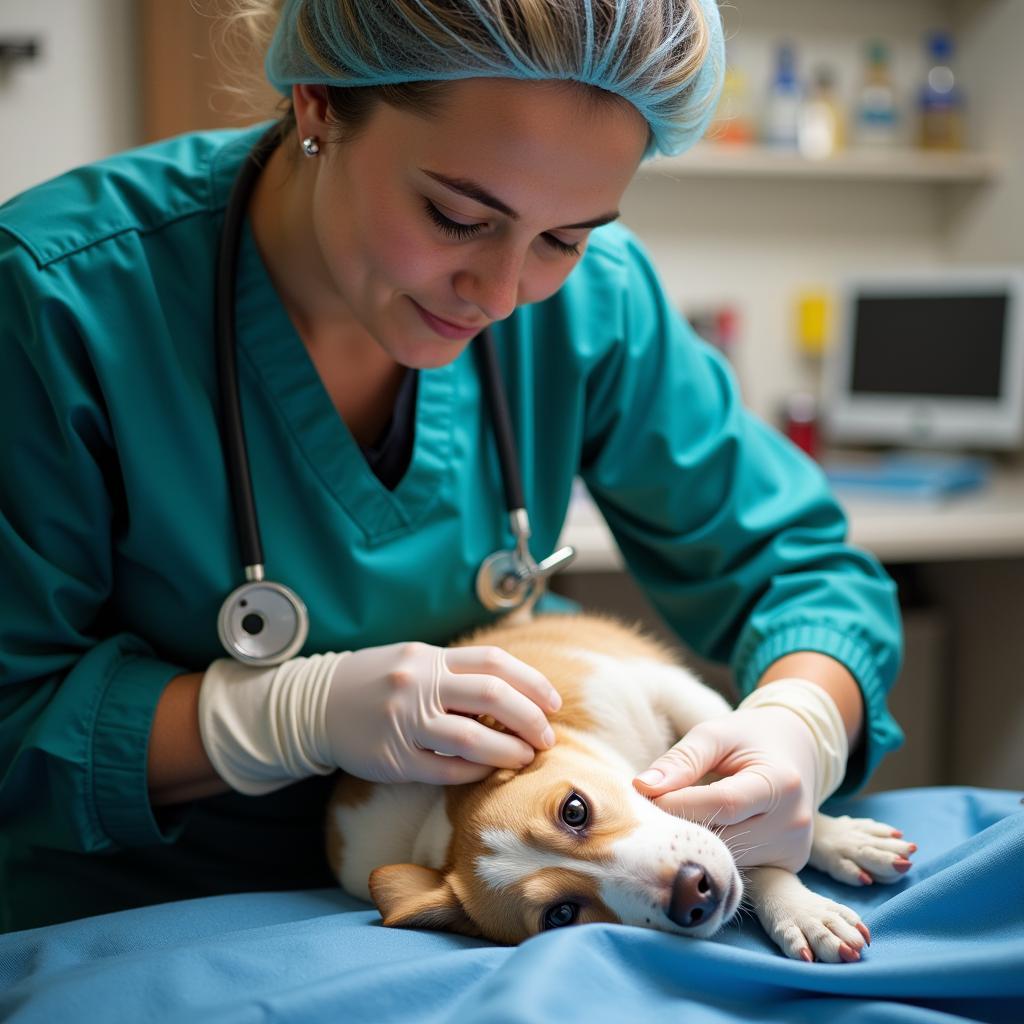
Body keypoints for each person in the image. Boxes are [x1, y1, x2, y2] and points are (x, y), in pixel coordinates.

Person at [0, 0, 903, 933]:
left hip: (517, 908)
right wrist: (279, 717)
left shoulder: (595, 302)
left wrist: (801, 723)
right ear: (317, 100)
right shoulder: (57, 304)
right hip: (144, 920)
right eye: (457, 216)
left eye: (564, 237)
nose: (504, 295)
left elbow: (803, 571)